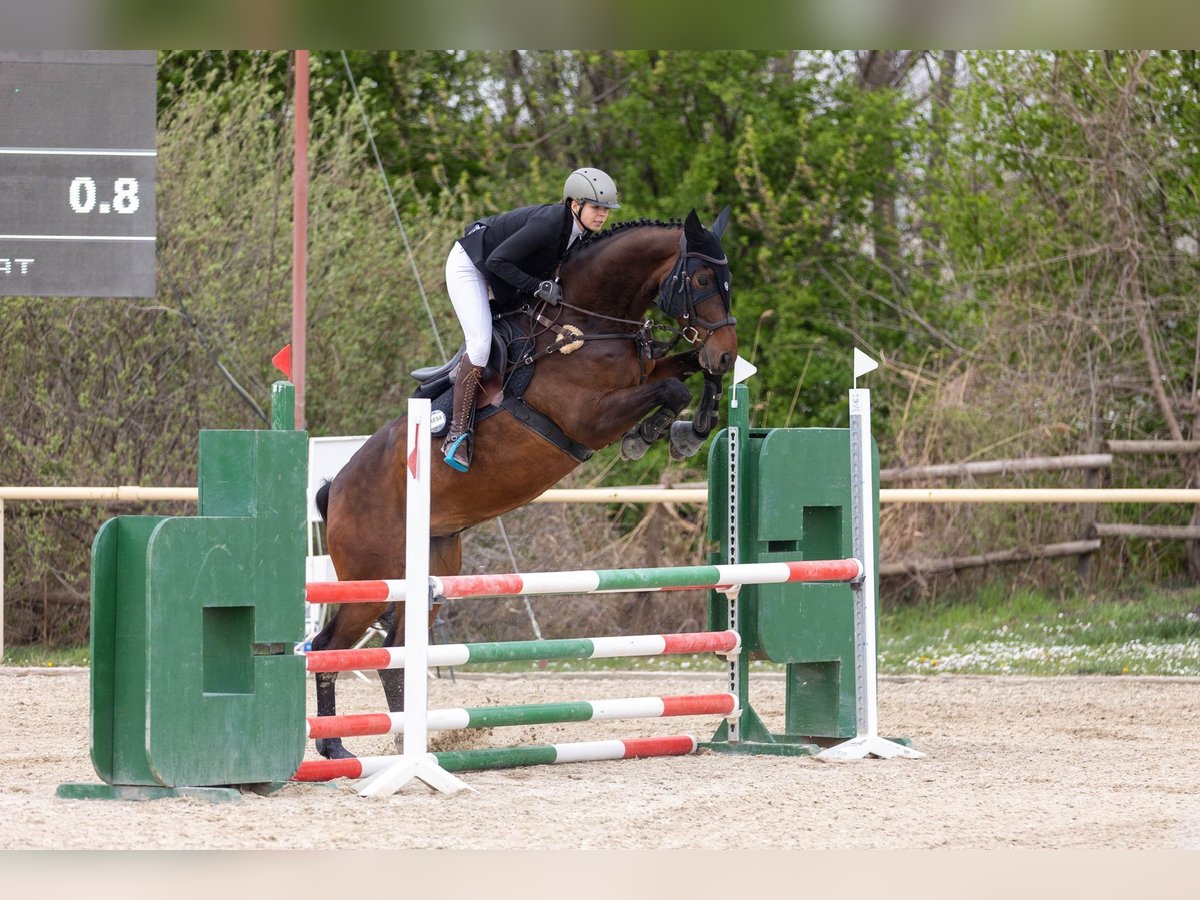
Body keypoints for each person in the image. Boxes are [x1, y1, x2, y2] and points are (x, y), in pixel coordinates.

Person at [440, 167, 620, 471]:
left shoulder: (579, 235)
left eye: (606, 209)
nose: (602, 215)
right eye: (596, 207)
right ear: (575, 205)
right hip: (471, 267)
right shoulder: (551, 223)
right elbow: (497, 260)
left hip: (499, 274)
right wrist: (537, 286)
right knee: (481, 345)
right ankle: (457, 433)